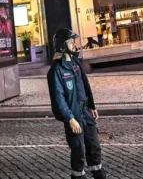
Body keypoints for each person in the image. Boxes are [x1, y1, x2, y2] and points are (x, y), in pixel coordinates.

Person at [48, 28, 105, 179]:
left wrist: (92, 106)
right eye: (70, 42)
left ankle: (98, 173)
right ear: (62, 45)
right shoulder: (56, 70)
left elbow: (85, 85)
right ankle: (78, 176)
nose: (74, 44)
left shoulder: (75, 62)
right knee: (79, 150)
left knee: (94, 146)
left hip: (86, 112)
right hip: (74, 116)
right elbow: (58, 98)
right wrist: (70, 118)